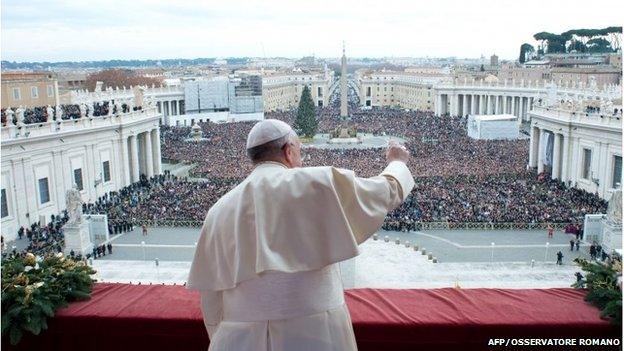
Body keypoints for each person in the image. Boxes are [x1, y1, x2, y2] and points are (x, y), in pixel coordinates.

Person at [187, 119, 414, 351]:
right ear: (288, 151)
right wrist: (397, 163)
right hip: (317, 334)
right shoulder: (317, 182)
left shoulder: (218, 210)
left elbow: (211, 295)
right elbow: (386, 193)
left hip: (239, 338)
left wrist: (225, 336)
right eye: (299, 151)